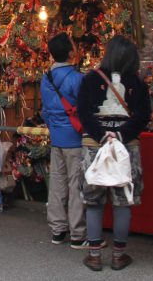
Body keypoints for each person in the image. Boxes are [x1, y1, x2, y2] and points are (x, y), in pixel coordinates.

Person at [77, 35, 151, 272]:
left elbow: (84, 113)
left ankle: (95, 255)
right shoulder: (137, 83)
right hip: (126, 148)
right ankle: (119, 255)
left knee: (94, 201)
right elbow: (142, 116)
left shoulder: (90, 79)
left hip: (93, 146)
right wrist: (120, 135)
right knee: (122, 201)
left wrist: (102, 135)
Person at [40, 32, 87, 249]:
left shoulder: (46, 78)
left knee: (57, 183)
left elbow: (46, 110)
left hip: (56, 137)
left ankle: (58, 230)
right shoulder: (77, 78)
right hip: (75, 139)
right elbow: (86, 109)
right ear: (70, 53)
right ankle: (78, 234)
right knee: (76, 185)